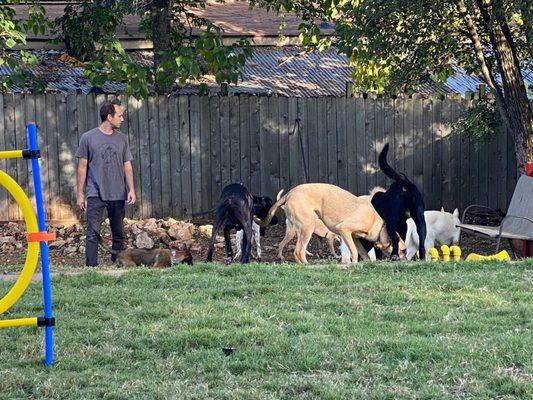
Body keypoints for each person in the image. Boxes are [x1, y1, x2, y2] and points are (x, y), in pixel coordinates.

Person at [75, 99, 136, 266]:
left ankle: (117, 265)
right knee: (93, 233)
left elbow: (127, 166)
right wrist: (80, 194)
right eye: (119, 115)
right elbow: (82, 167)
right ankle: (91, 268)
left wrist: (131, 189)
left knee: (119, 234)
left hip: (118, 192)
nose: (122, 119)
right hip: (95, 192)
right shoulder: (88, 138)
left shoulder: (122, 139)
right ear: (109, 117)